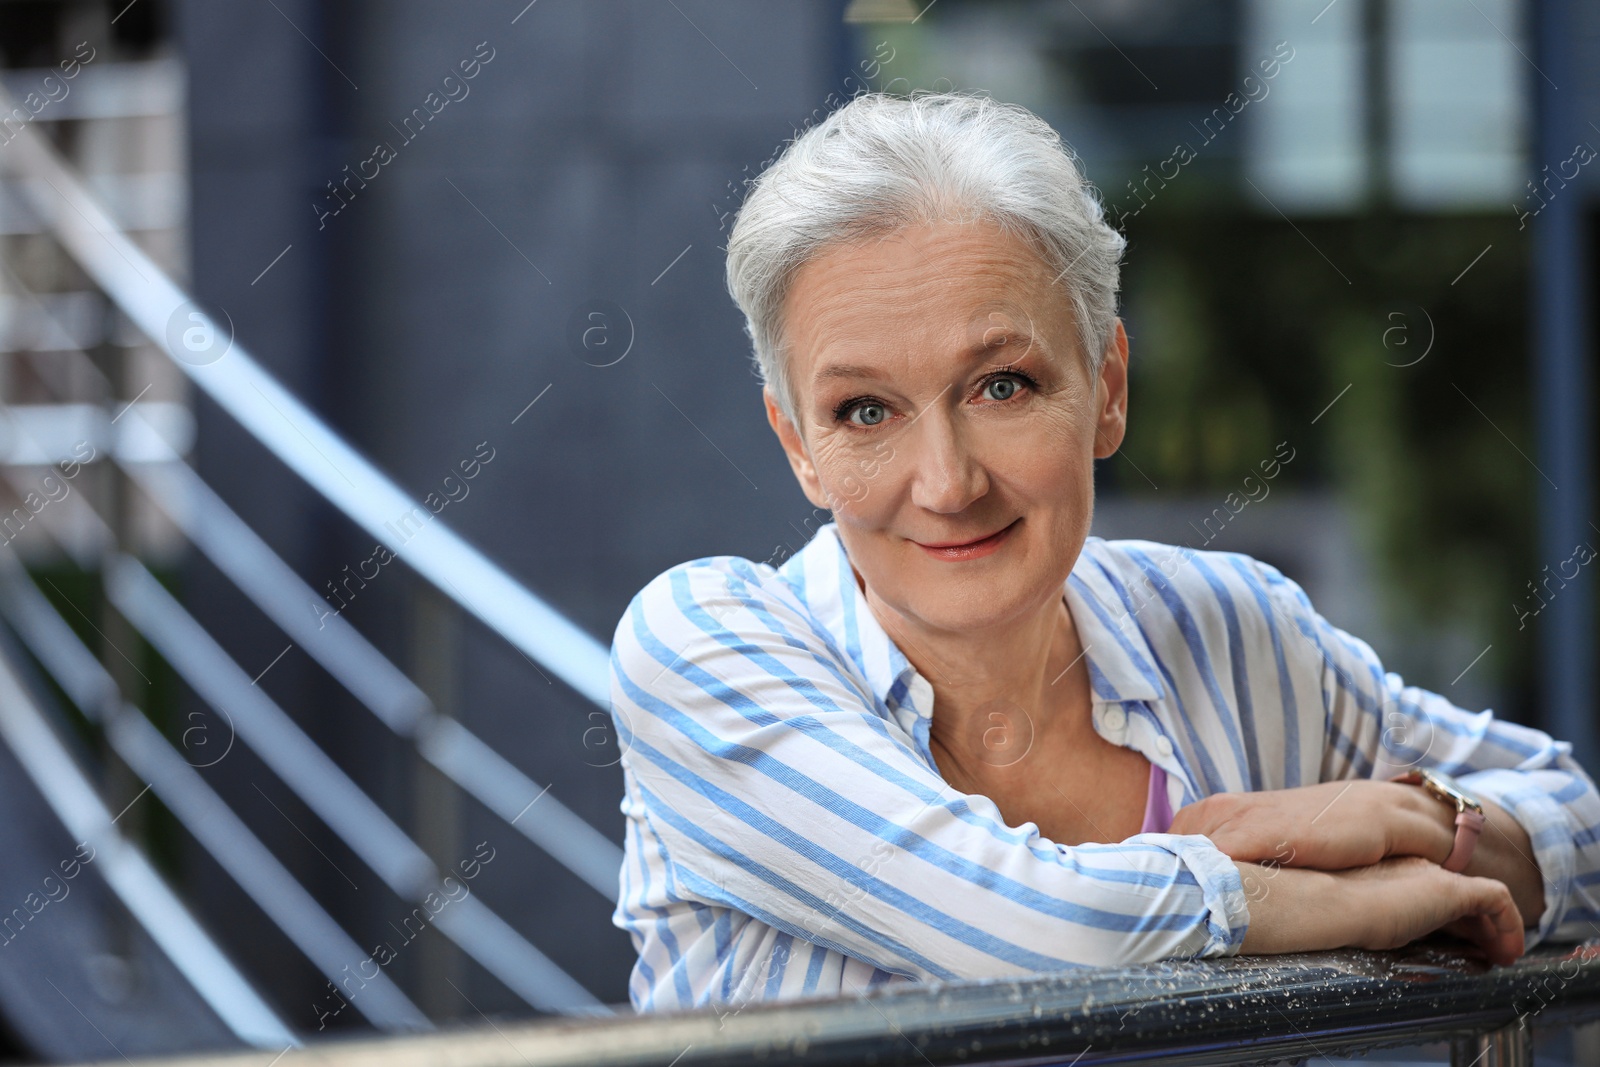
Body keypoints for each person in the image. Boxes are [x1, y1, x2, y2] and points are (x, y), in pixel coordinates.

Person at [606, 90, 1600, 1014]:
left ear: (1108, 386)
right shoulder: (703, 643)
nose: (946, 484)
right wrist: (1312, 897)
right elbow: (1016, 924)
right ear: (798, 446)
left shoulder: (1224, 627)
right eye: (864, 410)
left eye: (1002, 384)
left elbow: (1577, 823)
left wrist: (1431, 829)